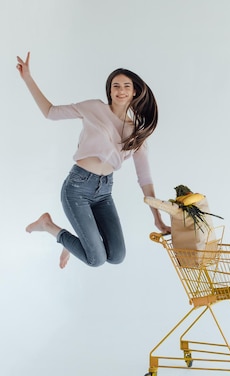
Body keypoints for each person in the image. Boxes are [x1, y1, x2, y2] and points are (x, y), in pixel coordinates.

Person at [16, 52, 171, 269]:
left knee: (116, 256)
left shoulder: (136, 133)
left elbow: (145, 178)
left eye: (126, 86)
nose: (121, 90)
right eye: (116, 85)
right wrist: (28, 78)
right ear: (110, 90)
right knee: (96, 259)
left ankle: (75, 242)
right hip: (77, 187)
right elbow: (50, 112)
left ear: (134, 91)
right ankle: (47, 225)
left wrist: (158, 218)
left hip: (104, 191)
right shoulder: (93, 108)